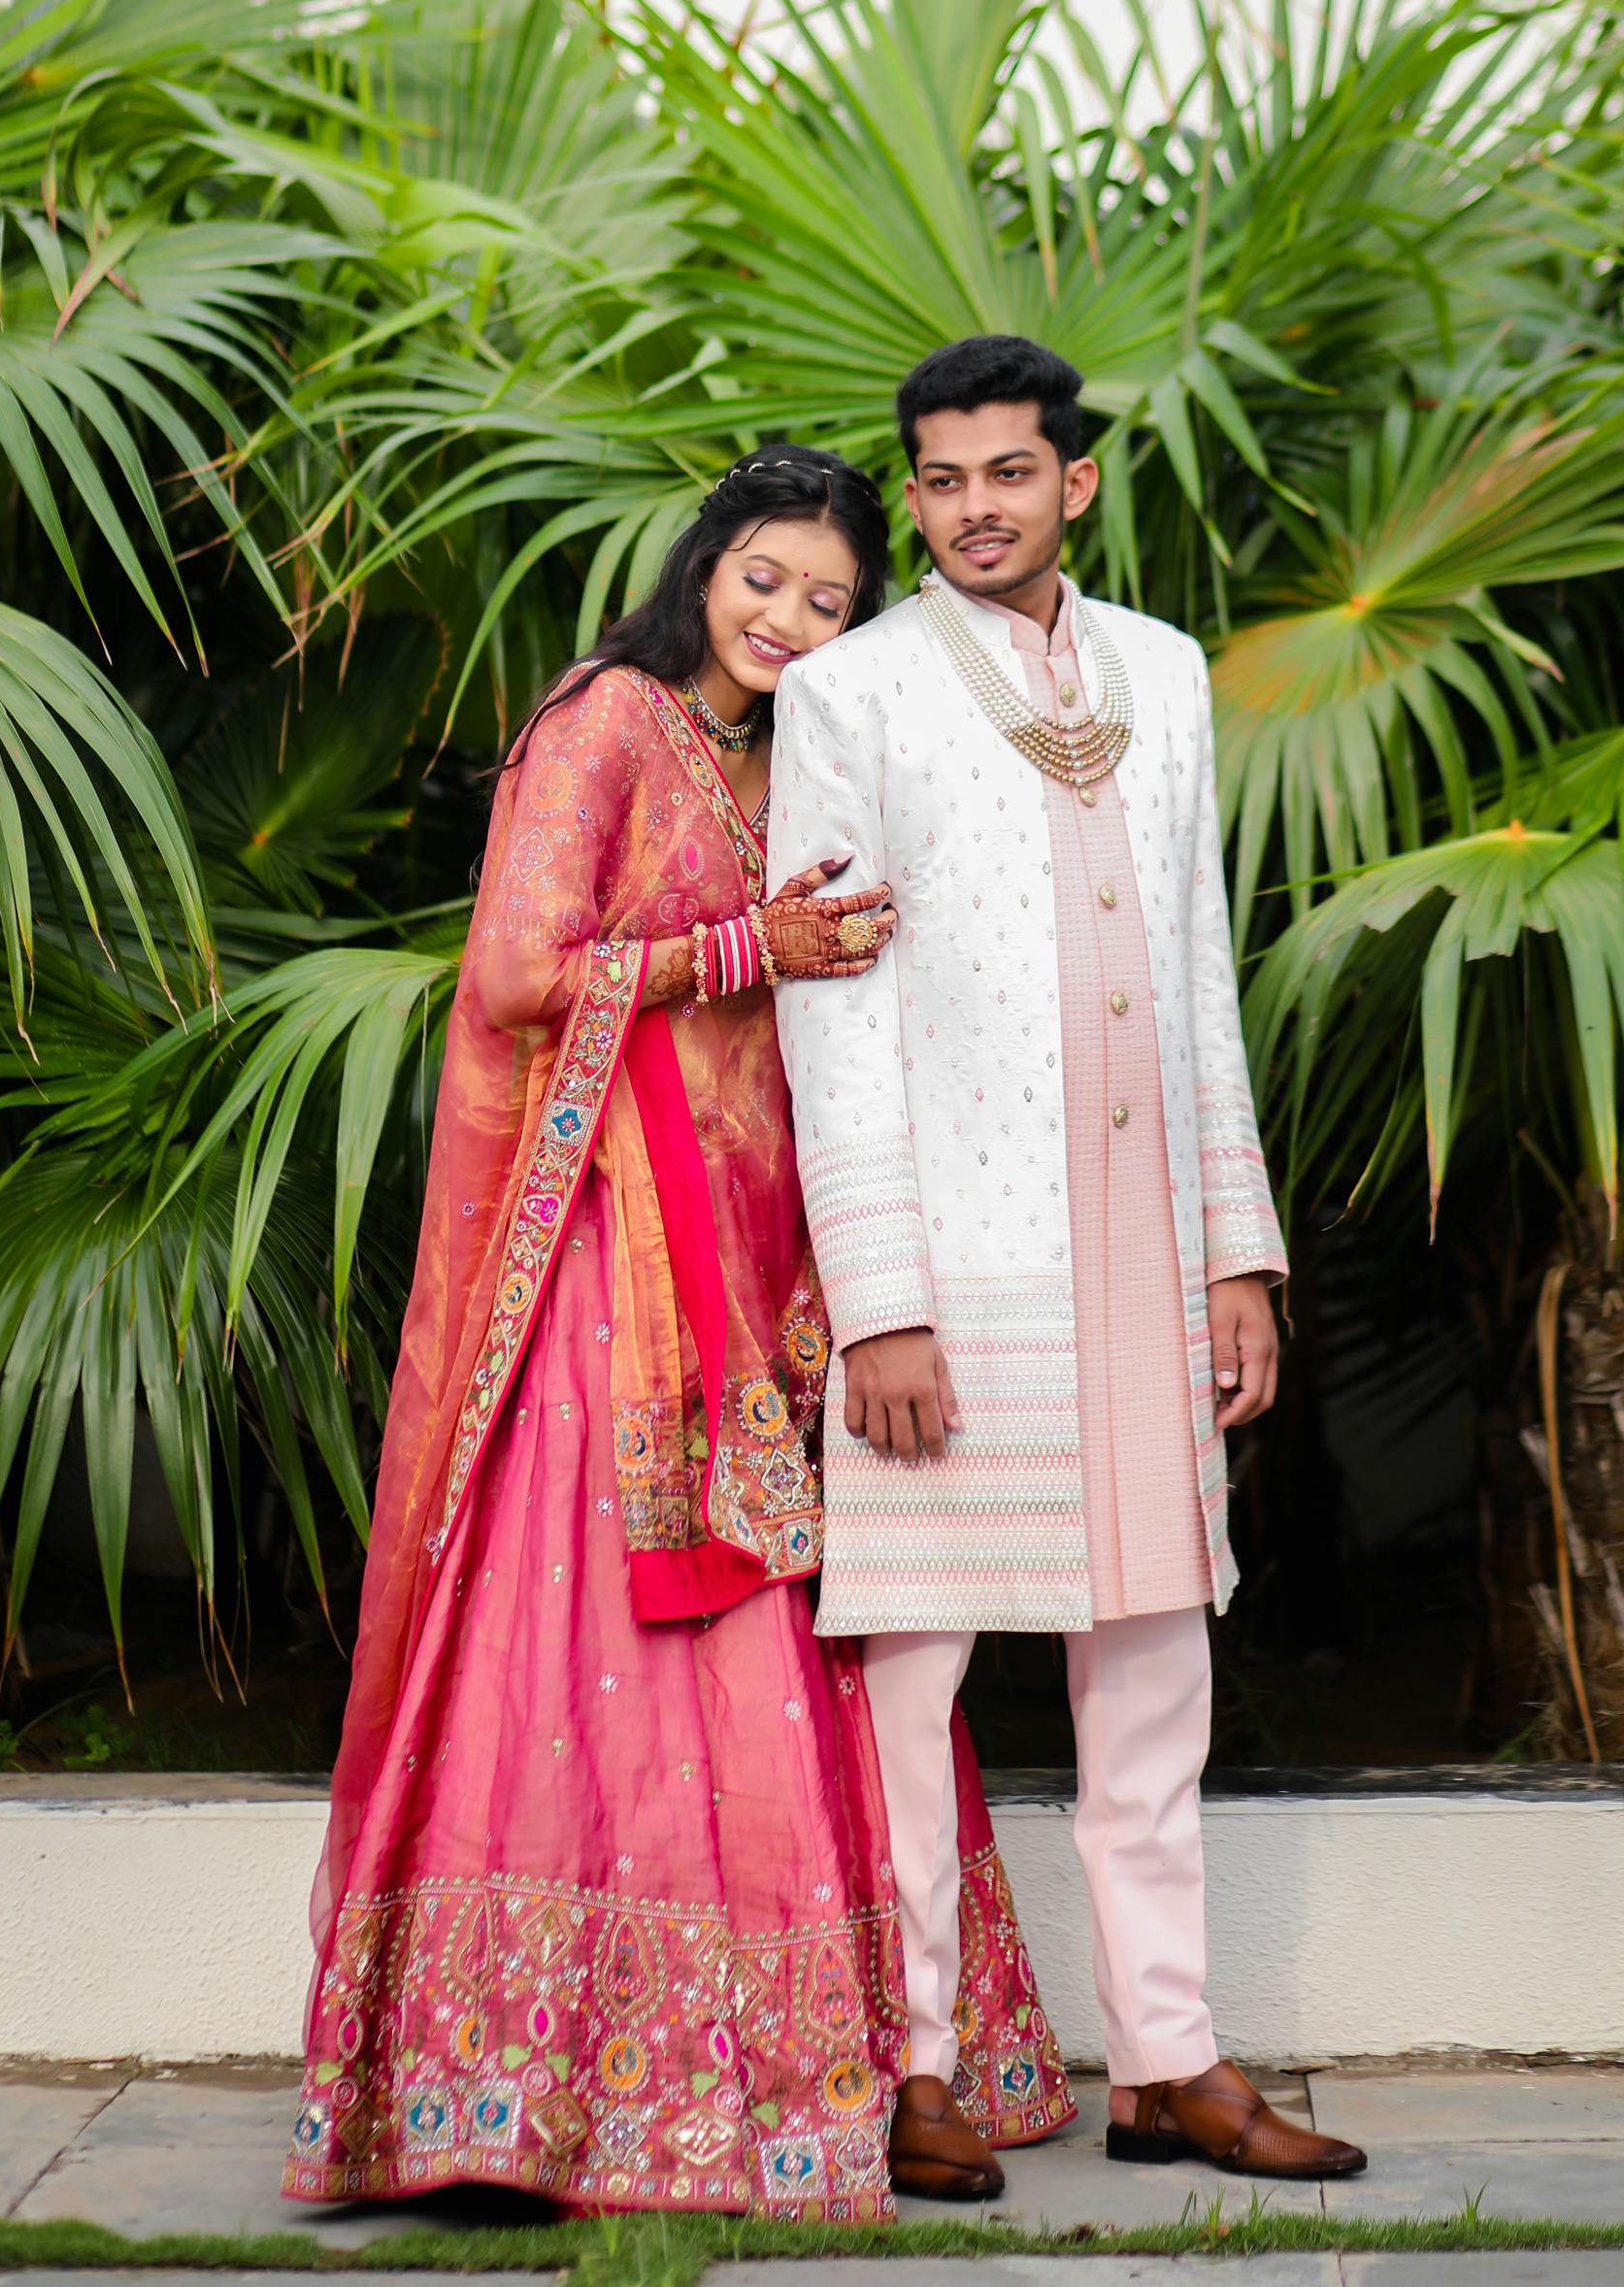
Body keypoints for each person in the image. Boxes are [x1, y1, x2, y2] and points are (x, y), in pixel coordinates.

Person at [284, 445, 1072, 2225]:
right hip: (606, 1280)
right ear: (705, 564)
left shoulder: (794, 758)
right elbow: (512, 973)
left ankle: (832, 2070)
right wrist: (744, 952)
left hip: (758, 1273)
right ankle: (515, 2086)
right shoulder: (609, 724)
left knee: (807, 1640)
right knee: (589, 1650)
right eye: (766, 579)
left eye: (829, 600)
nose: (791, 618)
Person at [769, 343, 1368, 2192]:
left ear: (1075, 486)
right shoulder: (852, 692)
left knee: (1155, 1673)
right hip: (956, 1274)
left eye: (1006, 476)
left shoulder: (1168, 675)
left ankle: (1166, 2068)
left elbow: (1197, 971)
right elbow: (834, 1020)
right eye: (938, 482)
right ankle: (919, 2068)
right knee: (911, 1683)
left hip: (1143, 1257)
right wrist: (880, 1298)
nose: (970, 510)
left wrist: (1237, 1262)